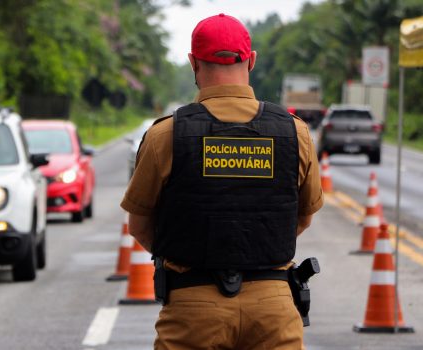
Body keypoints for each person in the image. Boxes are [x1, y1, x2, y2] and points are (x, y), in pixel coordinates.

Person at [120, 13, 323, 350]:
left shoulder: (166, 135)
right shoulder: (294, 132)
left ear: (193, 63)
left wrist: (193, 248)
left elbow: (140, 224)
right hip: (273, 309)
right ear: (252, 60)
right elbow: (302, 217)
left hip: (191, 306)